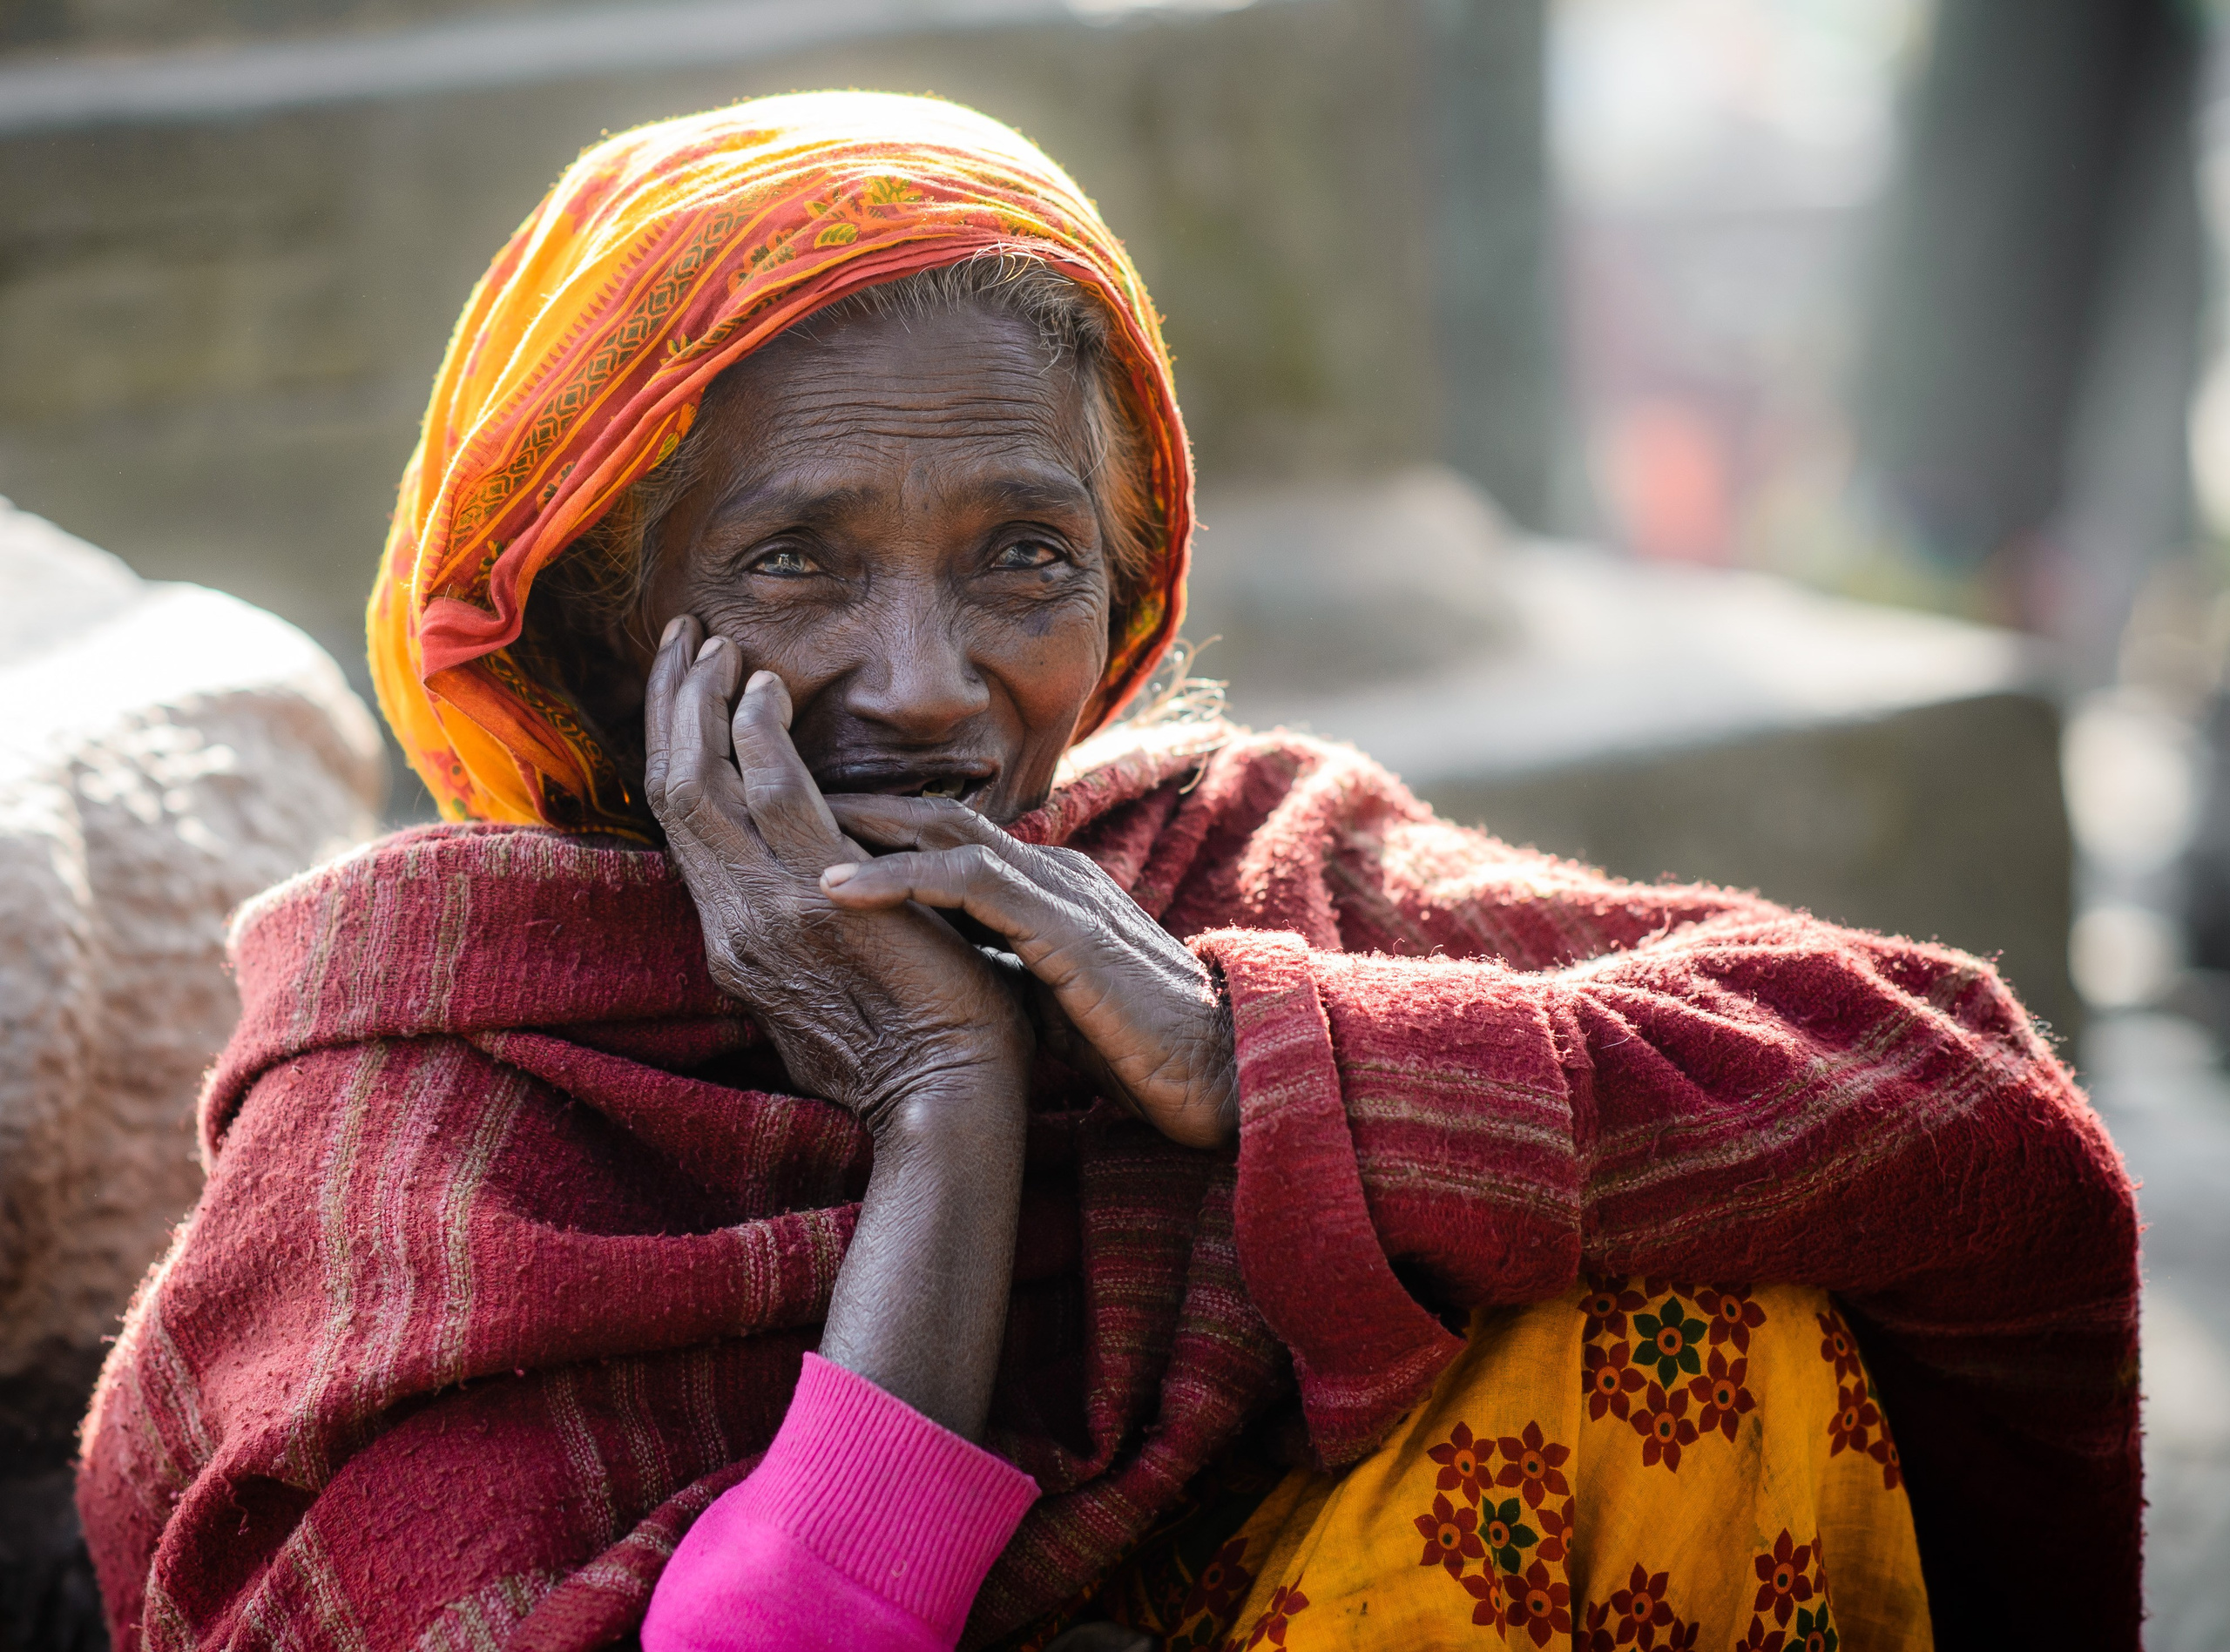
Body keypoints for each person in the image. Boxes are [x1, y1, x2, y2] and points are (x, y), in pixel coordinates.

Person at [75, 92, 2139, 1652]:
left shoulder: (1205, 880)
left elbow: (1952, 1102)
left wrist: (1248, 1057)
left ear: (1129, 593)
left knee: (1689, 1349)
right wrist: (942, 1115)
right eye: (793, 559)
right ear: (593, 622)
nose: (926, 683)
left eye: (1021, 560)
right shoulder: (416, 1123)